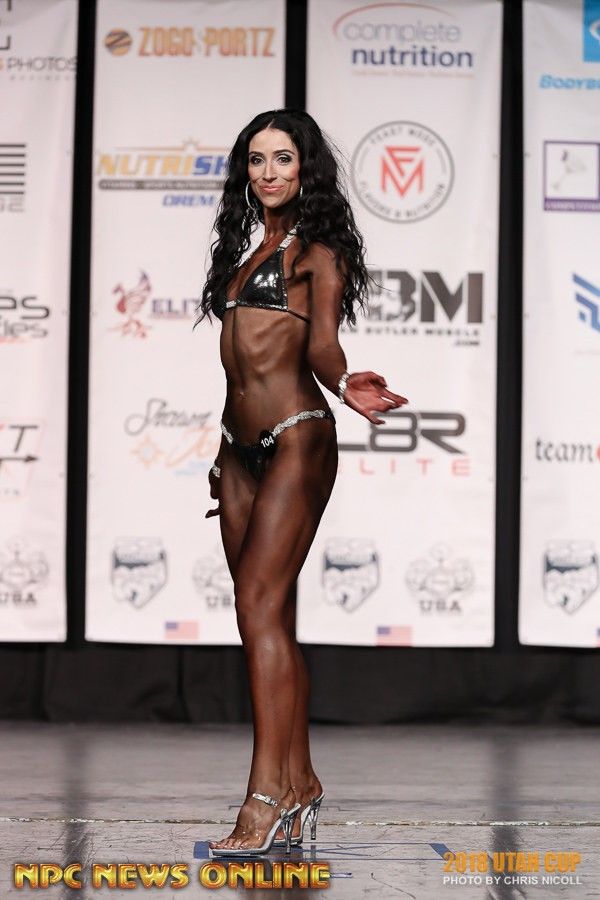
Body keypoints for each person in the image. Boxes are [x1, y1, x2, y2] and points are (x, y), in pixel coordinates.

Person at [197, 109, 408, 857]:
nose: (268, 173)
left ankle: (264, 796)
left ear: (305, 168)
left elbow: (321, 346)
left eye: (282, 159)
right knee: (267, 619)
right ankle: (301, 784)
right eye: (256, 160)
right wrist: (224, 455)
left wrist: (347, 383)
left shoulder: (318, 251)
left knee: (258, 608)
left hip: (296, 439)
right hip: (237, 450)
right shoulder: (245, 250)